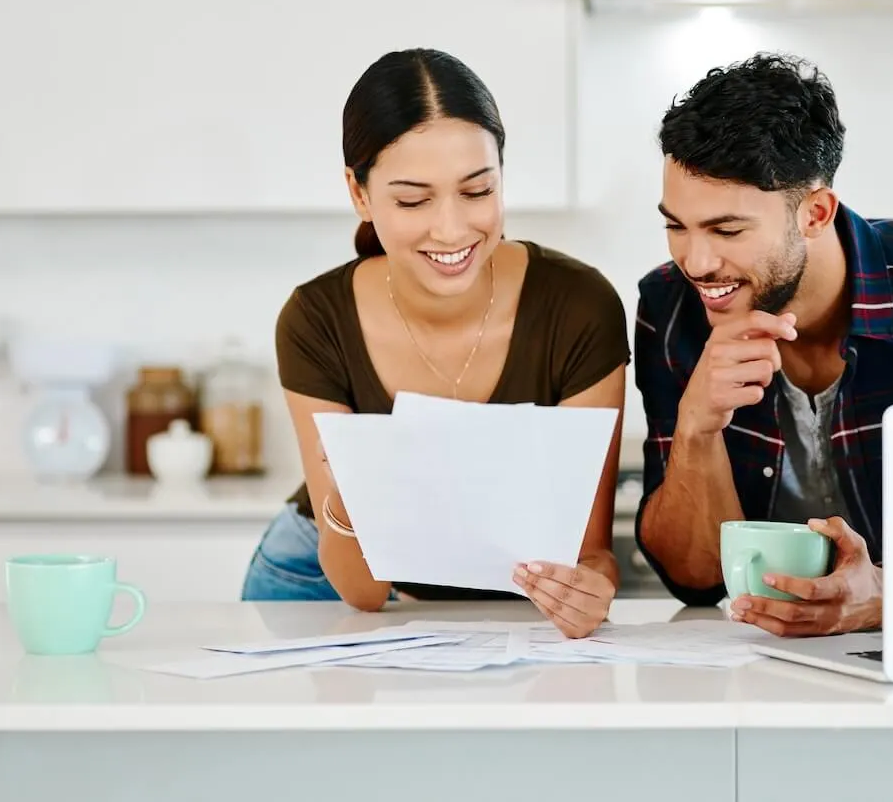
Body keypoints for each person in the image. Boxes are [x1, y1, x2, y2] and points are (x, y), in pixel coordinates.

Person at [632, 53, 893, 637]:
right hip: (753, 664)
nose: (697, 262)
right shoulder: (669, 307)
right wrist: (697, 426)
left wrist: (888, 598)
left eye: (727, 230)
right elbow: (696, 578)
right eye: (677, 226)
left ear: (815, 212)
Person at [241, 48, 630, 639]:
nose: (451, 229)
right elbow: (364, 593)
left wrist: (588, 590)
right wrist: (354, 492)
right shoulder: (315, 319)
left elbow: (587, 550)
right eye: (413, 200)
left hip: (514, 593)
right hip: (319, 582)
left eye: (477, 191)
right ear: (360, 193)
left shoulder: (579, 307)